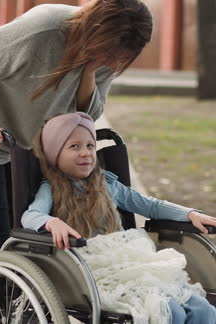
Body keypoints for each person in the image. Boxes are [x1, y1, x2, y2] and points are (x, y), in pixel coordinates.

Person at [0, 0, 152, 320]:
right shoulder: (40, 31)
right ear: (96, 29)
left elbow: (87, 114)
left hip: (31, 149)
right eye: (109, 53)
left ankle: (21, 312)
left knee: (31, 239)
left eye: (118, 58)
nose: (113, 62)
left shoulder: (108, 52)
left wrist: (89, 70)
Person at [21, 112, 216, 324]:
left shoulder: (107, 184)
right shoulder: (50, 189)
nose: (85, 153)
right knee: (169, 312)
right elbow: (30, 216)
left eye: (90, 146)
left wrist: (190, 214)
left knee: (200, 308)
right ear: (54, 154)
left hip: (134, 263)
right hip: (94, 272)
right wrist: (52, 222)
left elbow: (149, 205)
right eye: (74, 147)